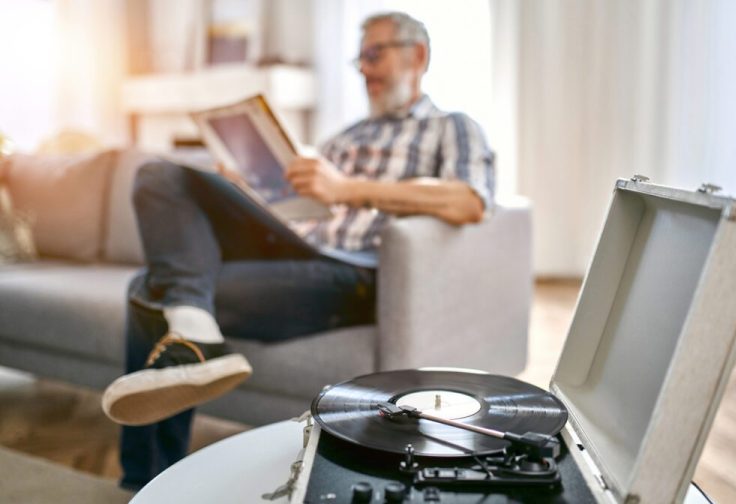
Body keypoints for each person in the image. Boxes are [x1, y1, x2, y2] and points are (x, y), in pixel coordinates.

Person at [102, 11, 495, 490]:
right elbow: (303, 206)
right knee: (160, 174)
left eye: (375, 54)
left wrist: (348, 188)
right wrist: (248, 189)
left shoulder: (450, 126)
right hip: (296, 251)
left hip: (355, 272)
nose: (365, 69)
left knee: (149, 288)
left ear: (418, 56)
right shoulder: (346, 137)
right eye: (360, 59)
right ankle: (193, 335)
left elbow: (469, 201)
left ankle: (142, 479)